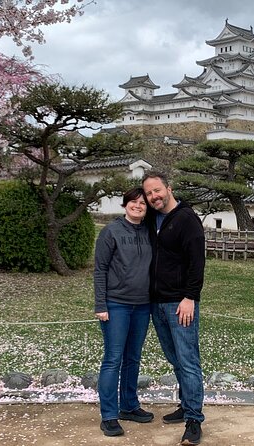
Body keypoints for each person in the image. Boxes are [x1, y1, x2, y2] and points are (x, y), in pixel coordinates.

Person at [142, 172, 206, 446]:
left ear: (169, 188)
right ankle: (185, 404)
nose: (154, 196)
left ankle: (194, 419)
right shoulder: (151, 219)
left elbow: (196, 261)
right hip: (157, 301)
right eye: (149, 193)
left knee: (188, 360)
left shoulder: (186, 218)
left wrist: (190, 296)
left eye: (157, 190)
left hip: (180, 303)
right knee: (176, 359)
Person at [93, 187, 154, 437]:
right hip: (116, 304)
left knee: (133, 358)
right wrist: (101, 305)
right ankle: (109, 415)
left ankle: (129, 405)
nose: (138, 206)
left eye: (143, 203)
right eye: (133, 202)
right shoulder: (111, 231)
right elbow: (100, 269)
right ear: (125, 204)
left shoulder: (151, 231)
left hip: (143, 304)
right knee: (113, 359)